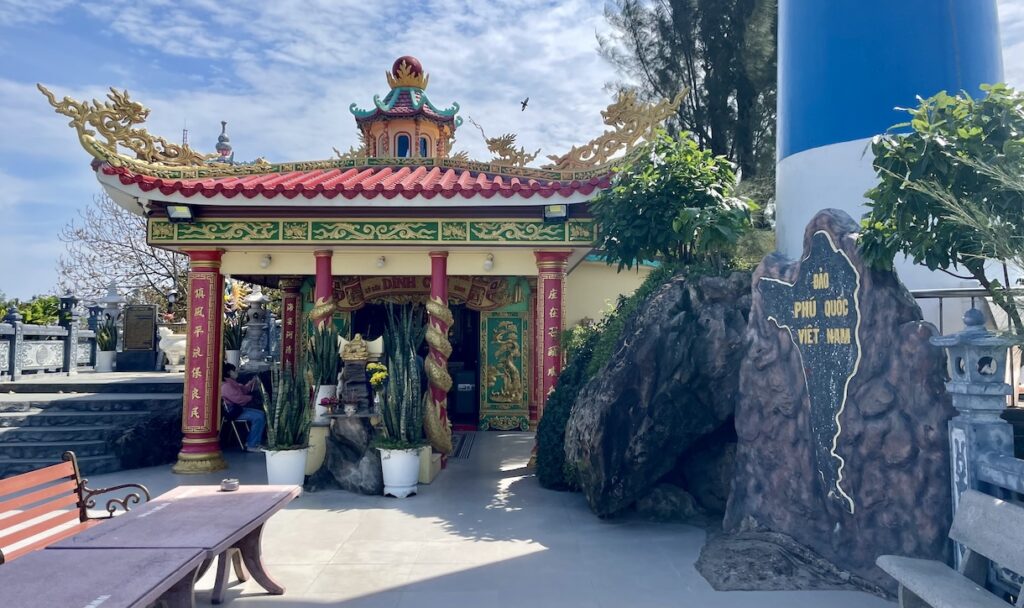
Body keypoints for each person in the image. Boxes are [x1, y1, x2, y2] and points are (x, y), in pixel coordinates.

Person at [221, 362, 266, 451]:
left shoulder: (232, 383)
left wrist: (251, 383)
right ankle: (252, 445)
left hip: (238, 409)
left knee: (261, 414)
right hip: (234, 412)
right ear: (229, 372)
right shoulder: (226, 386)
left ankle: (254, 441)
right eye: (235, 371)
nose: (237, 372)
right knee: (259, 417)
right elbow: (239, 399)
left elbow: (243, 390)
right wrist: (251, 397)